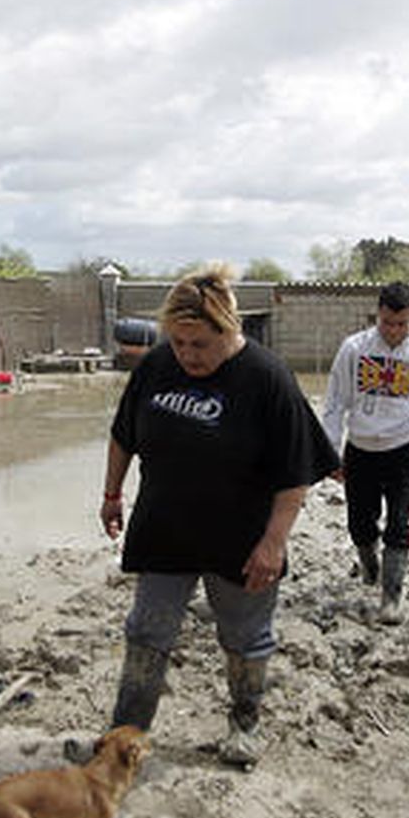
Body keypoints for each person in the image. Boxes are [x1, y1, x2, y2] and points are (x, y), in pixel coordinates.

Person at [80, 264, 338, 767]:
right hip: (164, 531)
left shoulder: (268, 379)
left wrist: (273, 544)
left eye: (199, 344)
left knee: (245, 638)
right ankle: (125, 738)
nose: (187, 355)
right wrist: (112, 494)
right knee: (146, 631)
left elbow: (295, 475)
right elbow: (123, 434)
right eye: (178, 342)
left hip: (241, 541)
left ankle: (244, 726)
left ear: (229, 330)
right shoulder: (157, 366)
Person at [320, 280, 409, 625]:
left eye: (401, 324)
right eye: (387, 323)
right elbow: (335, 403)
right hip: (361, 449)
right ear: (377, 314)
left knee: (399, 521)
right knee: (360, 524)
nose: (393, 331)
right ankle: (369, 563)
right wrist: (331, 452)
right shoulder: (354, 348)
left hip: (404, 450)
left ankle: (391, 597)